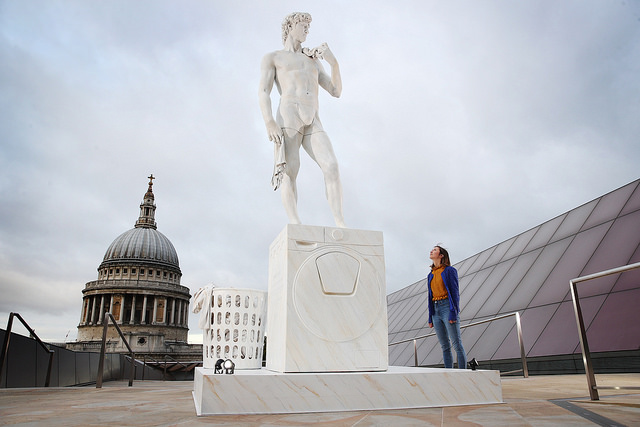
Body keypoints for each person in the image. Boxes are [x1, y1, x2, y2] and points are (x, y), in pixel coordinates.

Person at [258, 12, 346, 228]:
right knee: (290, 171)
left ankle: (340, 221)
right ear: (291, 26)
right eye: (303, 26)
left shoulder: (313, 60)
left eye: (308, 27)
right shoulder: (274, 57)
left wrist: (334, 63)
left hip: (313, 118)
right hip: (288, 115)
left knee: (332, 166)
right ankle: (295, 223)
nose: (307, 30)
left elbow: (335, 91)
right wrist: (269, 121)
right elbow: (263, 91)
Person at [427, 245, 467, 369]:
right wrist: (430, 317)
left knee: (457, 344)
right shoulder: (430, 275)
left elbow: (455, 293)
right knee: (444, 346)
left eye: (434, 250)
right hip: (435, 310)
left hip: (447, 307)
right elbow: (430, 296)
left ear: (441, 255)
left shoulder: (450, 271)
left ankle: (462, 374)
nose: (431, 251)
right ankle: (449, 374)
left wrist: (453, 312)